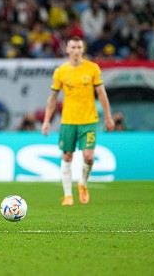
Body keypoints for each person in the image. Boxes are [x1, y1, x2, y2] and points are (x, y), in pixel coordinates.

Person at [41, 37, 115, 206]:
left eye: (79, 47)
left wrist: (109, 117)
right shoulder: (60, 72)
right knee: (67, 156)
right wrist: (46, 120)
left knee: (88, 157)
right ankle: (67, 195)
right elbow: (53, 98)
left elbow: (102, 94)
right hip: (68, 120)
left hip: (88, 120)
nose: (76, 50)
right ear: (67, 49)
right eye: (72, 47)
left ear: (83, 49)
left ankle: (83, 183)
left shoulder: (92, 68)